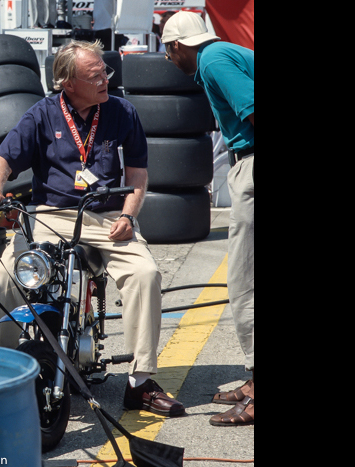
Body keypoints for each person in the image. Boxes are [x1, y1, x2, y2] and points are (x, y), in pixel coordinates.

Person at [0, 40, 185, 418]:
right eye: (95, 76)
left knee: (146, 274)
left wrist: (128, 215)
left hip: (109, 217)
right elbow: (1, 161)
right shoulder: (41, 114)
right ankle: (3, 373)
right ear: (67, 83)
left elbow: (137, 175)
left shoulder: (122, 111)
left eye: (105, 72)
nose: (106, 80)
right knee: (6, 277)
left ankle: (140, 382)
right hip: (53, 215)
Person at [162, 11, 254, 426]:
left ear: (177, 47)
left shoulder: (214, 61)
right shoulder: (222, 53)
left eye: (168, 52)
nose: (168, 62)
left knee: (246, 283)